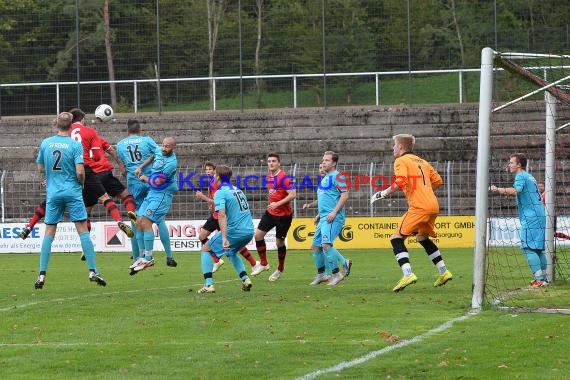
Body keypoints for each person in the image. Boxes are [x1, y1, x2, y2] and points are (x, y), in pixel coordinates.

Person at [19, 107, 135, 241]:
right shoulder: (91, 132)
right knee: (104, 198)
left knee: (51, 201)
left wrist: (50, 177)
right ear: (83, 119)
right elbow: (97, 156)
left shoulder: (62, 135)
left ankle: (29, 226)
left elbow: (49, 159)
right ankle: (119, 221)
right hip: (86, 170)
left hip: (65, 172)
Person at [371, 134, 452, 292]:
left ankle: (407, 274)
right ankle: (444, 272)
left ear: (401, 146)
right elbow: (438, 181)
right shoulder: (422, 161)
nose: (393, 148)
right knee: (422, 237)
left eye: (394, 145)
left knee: (396, 238)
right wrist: (425, 192)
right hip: (433, 205)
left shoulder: (401, 161)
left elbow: (400, 181)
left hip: (419, 207)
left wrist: (383, 193)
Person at [34, 112, 106, 289]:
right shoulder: (75, 145)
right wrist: (80, 184)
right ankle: (93, 270)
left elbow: (40, 166)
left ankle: (42, 274)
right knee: (82, 230)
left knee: (49, 231)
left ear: (56, 124)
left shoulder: (46, 143)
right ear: (71, 126)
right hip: (72, 192)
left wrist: (46, 178)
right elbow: (80, 172)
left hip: (54, 193)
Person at [116, 119, 177, 267]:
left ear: (127, 130)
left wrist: (129, 171)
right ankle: (169, 256)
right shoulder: (147, 141)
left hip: (135, 182)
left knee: (137, 219)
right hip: (151, 182)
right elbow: (157, 155)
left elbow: (122, 167)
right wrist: (144, 166)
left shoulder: (120, 144)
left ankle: (138, 256)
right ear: (140, 130)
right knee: (158, 219)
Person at [490, 154, 548, 288]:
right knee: (538, 249)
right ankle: (544, 279)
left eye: (511, 162)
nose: (509, 165)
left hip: (531, 217)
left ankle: (539, 280)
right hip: (539, 214)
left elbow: (516, 190)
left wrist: (498, 189)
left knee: (527, 247)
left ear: (519, 165)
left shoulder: (520, 176)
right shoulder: (530, 176)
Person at [197, 165, 255, 293]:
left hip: (235, 230)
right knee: (231, 252)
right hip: (249, 230)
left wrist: (224, 237)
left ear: (218, 176)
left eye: (214, 174)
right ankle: (245, 279)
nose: (213, 176)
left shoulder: (220, 192)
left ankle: (208, 285)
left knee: (206, 249)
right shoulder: (237, 190)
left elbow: (221, 215)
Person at [130, 137, 178, 273]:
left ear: (174, 148)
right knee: (138, 221)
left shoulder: (171, 163)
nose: (163, 148)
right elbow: (152, 156)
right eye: (163, 145)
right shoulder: (159, 151)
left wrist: (145, 178)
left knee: (145, 222)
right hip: (152, 194)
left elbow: (158, 182)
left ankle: (149, 258)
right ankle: (141, 257)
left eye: (167, 147)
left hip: (162, 195)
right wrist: (141, 167)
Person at [303, 151, 352, 286]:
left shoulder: (338, 176)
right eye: (323, 160)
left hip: (333, 217)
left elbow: (345, 195)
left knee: (326, 244)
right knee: (316, 246)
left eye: (327, 160)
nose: (323, 162)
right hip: (324, 217)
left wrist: (334, 213)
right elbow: (325, 199)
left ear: (334, 163)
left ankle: (337, 274)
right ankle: (322, 275)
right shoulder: (325, 178)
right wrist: (318, 214)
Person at [250, 153, 297, 281]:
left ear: (279, 163)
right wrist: (271, 199)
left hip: (284, 216)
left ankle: (280, 268)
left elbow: (293, 194)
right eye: (269, 161)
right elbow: (273, 192)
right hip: (271, 213)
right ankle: (264, 264)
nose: (271, 163)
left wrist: (278, 203)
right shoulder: (269, 176)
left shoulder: (283, 177)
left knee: (279, 243)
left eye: (274, 161)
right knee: (258, 235)